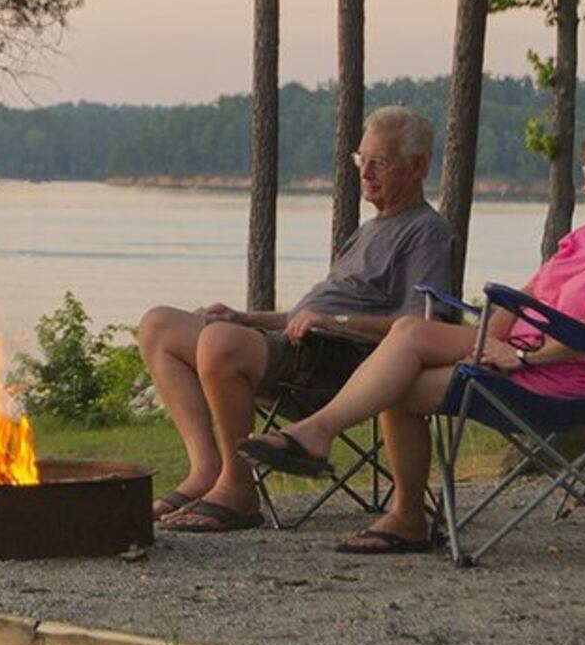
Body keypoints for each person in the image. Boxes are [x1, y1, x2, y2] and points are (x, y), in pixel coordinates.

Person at [240, 110, 585, 554]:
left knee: (407, 349)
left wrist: (523, 357)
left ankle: (335, 450)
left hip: (569, 377)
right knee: (402, 357)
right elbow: (523, 298)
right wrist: (488, 342)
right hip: (525, 354)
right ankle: (394, 505)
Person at [133, 106, 458, 534]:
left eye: (379, 162)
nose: (365, 173)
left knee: (219, 343)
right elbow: (307, 316)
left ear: (417, 166)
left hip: (342, 364)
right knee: (158, 326)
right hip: (302, 346)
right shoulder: (369, 230)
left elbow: (422, 323)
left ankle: (238, 490)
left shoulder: (426, 232)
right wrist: (245, 317)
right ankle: (206, 470)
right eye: (361, 160)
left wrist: (337, 321)